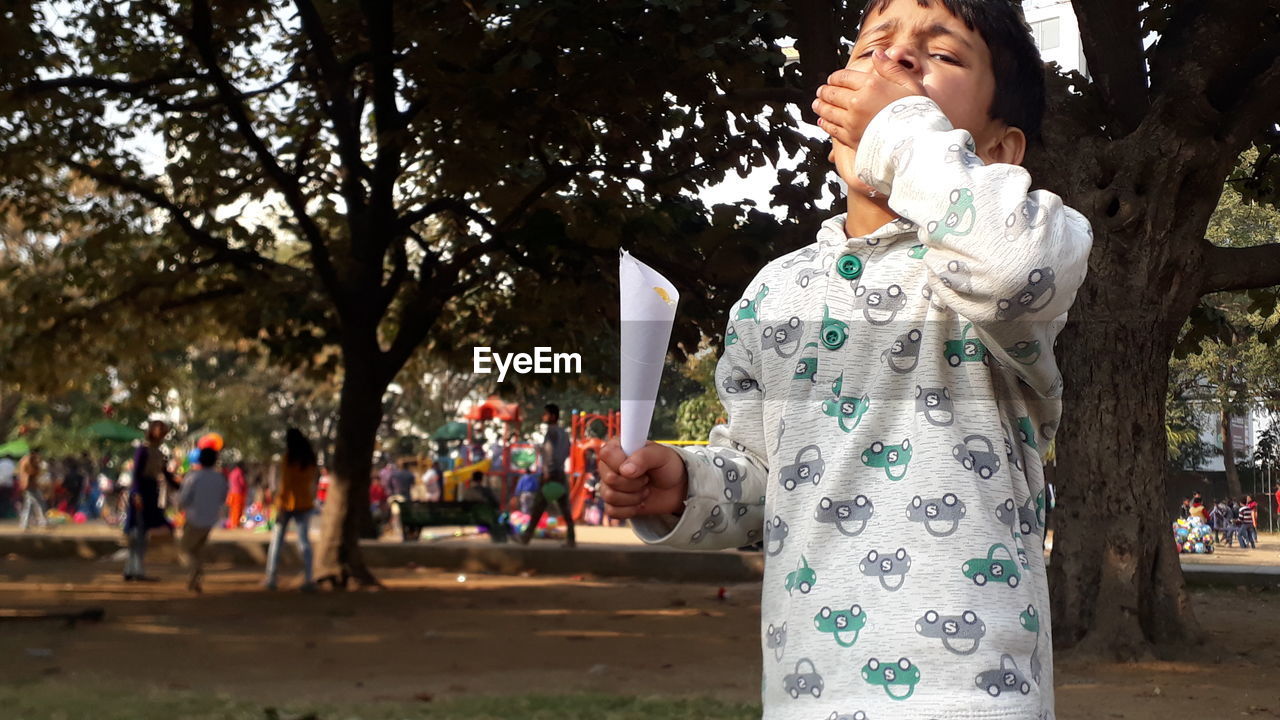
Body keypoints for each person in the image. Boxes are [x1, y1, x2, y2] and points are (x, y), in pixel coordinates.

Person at [599, 1, 1093, 716]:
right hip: (810, 691)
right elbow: (769, 483)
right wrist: (684, 485)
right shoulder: (775, 291)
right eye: (872, 49)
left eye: (943, 55)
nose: (894, 63)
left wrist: (899, 126)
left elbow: (1013, 267)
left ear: (998, 151)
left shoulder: (1021, 243)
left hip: (973, 692)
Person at [264, 428, 318, 591]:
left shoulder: (288, 459)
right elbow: (313, 482)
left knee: (277, 541)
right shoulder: (310, 460)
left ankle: (271, 577)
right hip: (305, 503)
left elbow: (285, 484)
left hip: (285, 504)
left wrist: (278, 504)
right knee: (304, 543)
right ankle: (309, 578)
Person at [518, 403, 576, 547]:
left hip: (550, 474)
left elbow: (549, 452)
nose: (543, 416)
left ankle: (526, 536)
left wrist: (547, 471)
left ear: (552, 416)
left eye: (545, 414)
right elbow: (567, 451)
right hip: (561, 473)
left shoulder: (551, 432)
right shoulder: (564, 433)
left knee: (539, 505)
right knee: (565, 508)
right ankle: (571, 538)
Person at [124, 421, 174, 581]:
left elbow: (166, 474)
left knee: (142, 532)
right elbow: (137, 474)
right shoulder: (142, 450)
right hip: (141, 491)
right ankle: (135, 570)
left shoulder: (159, 453)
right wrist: (136, 494)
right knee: (138, 532)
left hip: (152, 491)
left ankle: (133, 569)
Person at [178, 447, 228, 593]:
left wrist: (181, 507)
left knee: (185, 551)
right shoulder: (219, 478)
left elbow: (184, 498)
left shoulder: (194, 477)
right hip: (210, 520)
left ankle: (196, 571)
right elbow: (223, 498)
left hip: (194, 519)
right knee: (197, 551)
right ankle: (194, 581)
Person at [17, 448, 49, 530]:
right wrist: (38, 467)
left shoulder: (23, 459)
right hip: (30, 485)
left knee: (29, 505)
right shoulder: (30, 460)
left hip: (26, 485)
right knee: (39, 503)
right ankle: (42, 522)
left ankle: (25, 524)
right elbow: (31, 472)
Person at [225, 462, 247, 529]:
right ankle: (236, 523)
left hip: (231, 493)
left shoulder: (232, 472)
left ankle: (232, 523)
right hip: (238, 493)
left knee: (232, 509)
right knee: (237, 509)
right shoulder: (239, 472)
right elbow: (242, 482)